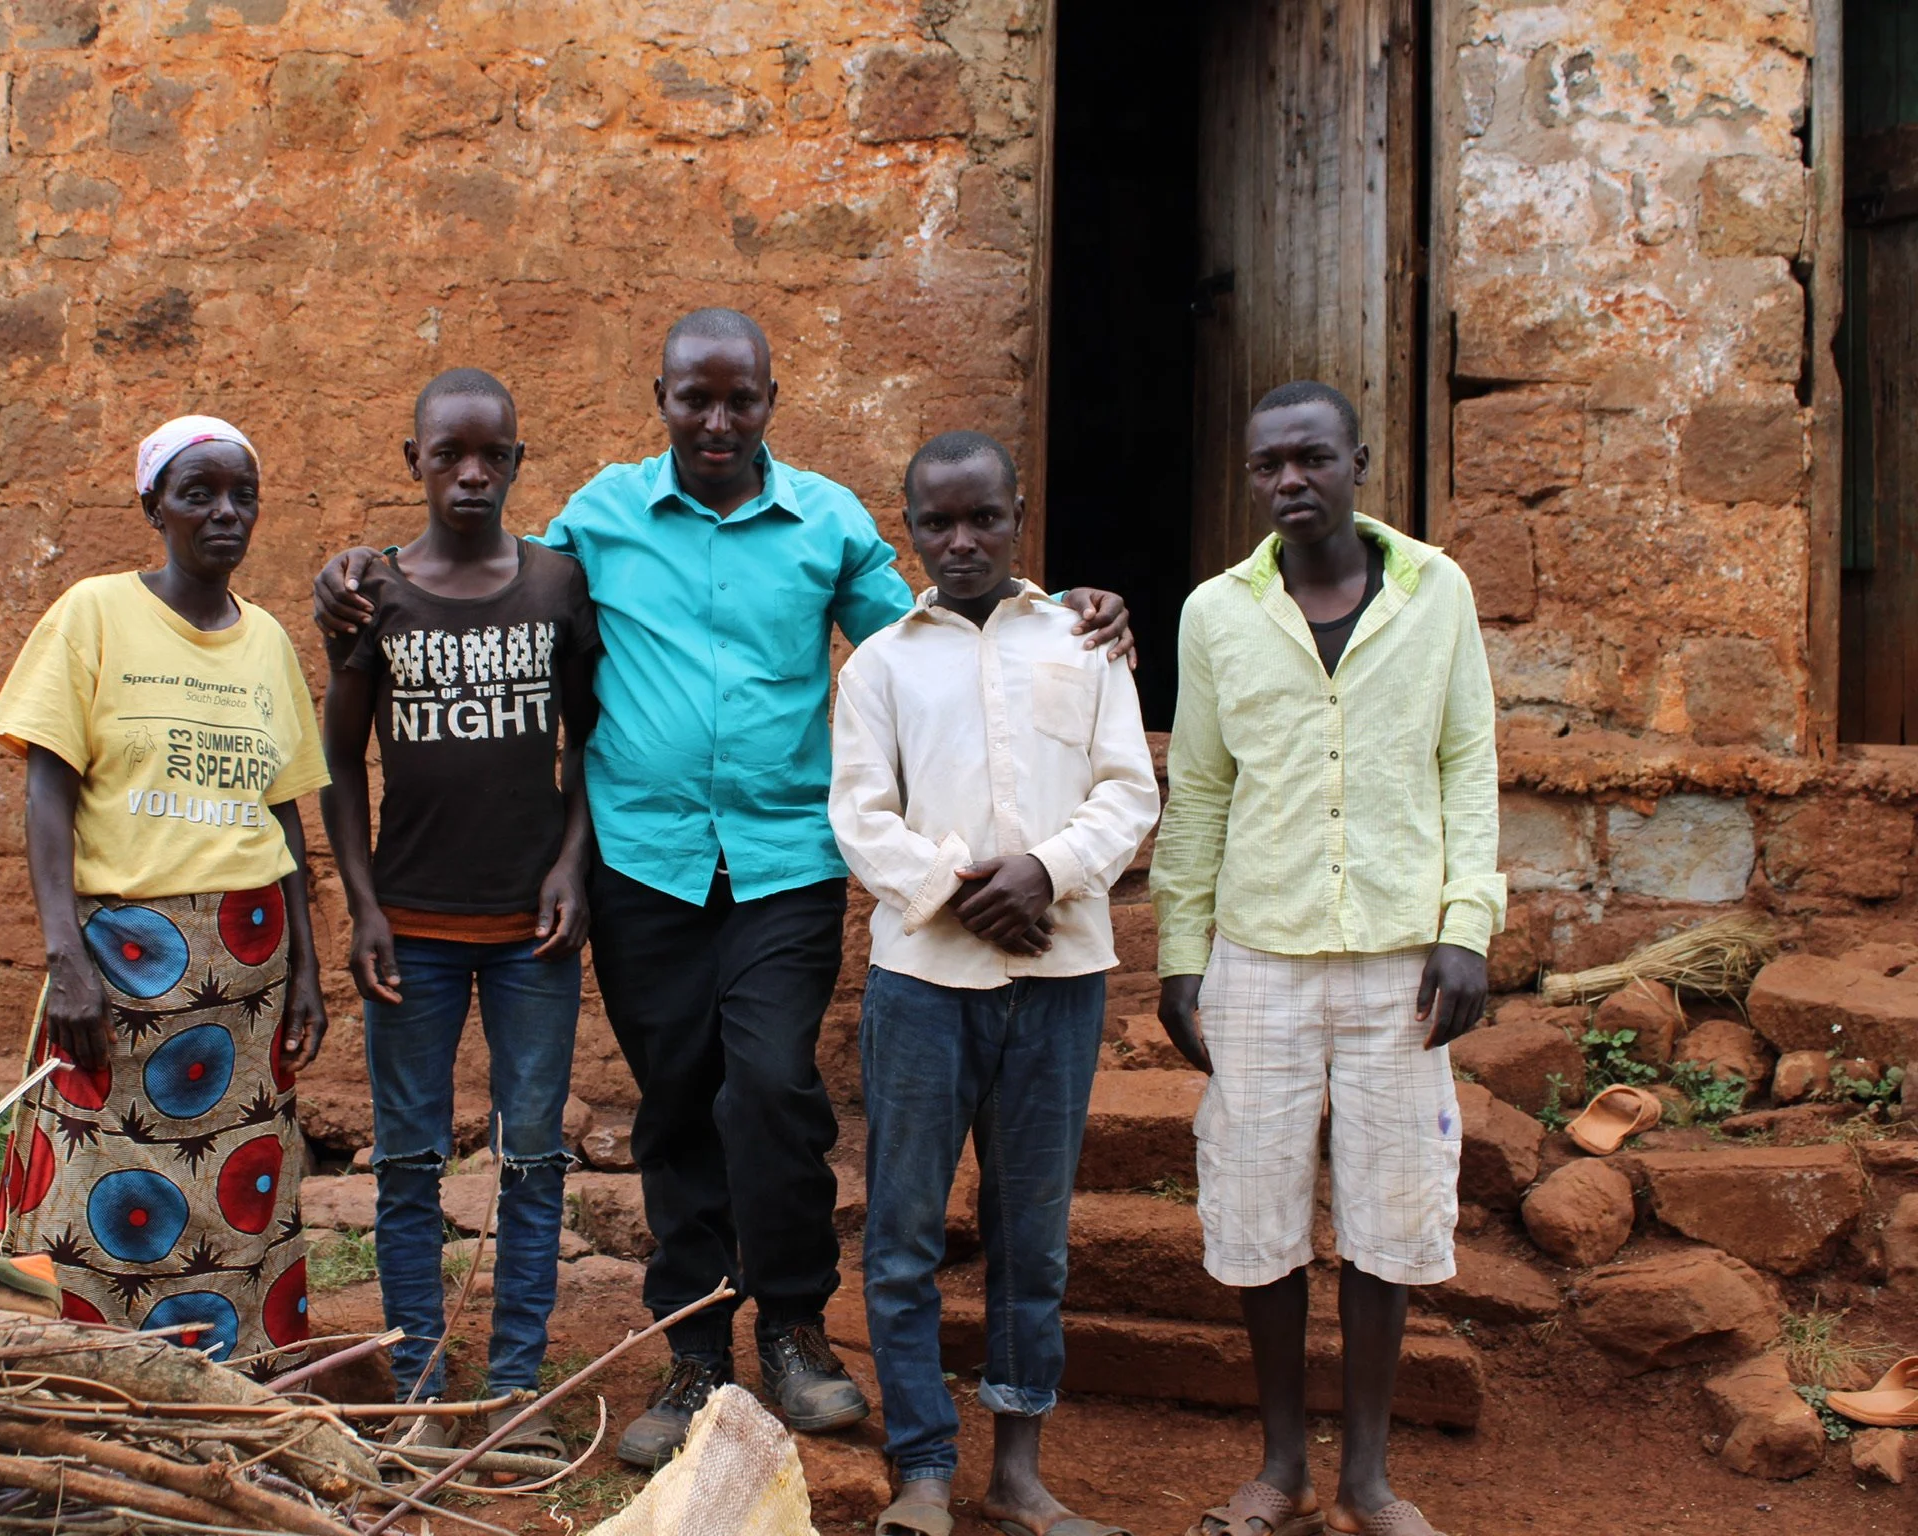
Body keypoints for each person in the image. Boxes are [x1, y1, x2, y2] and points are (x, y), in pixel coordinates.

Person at [312, 309, 1136, 1468]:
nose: (715, 420)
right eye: (693, 398)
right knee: (675, 1099)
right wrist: (360, 569)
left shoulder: (826, 522)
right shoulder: (600, 515)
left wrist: (1064, 608)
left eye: (738, 399)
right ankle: (695, 1347)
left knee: (771, 1087)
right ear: (660, 398)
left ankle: (793, 1327)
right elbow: (491, 568)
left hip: (784, 861)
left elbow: (935, 630)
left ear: (770, 402)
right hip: (641, 863)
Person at [1149, 382, 1502, 1536]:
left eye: (1311, 457)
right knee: (1258, 1209)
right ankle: (1282, 1467)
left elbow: (1468, 764)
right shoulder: (1217, 613)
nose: (1289, 480)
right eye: (1268, 465)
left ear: (1358, 460)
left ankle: (1369, 1480)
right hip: (1260, 952)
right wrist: (1182, 952)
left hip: (1403, 958)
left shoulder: (1436, 593)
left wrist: (1466, 924)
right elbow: (1201, 787)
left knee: (1389, 1213)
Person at [830, 432, 1160, 1536]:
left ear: (1020, 515)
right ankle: (924, 1467)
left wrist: (1047, 873)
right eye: (939, 522)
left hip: (1058, 978)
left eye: (984, 517)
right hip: (924, 980)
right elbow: (860, 814)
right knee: (905, 1233)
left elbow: (1128, 790)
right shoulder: (880, 664)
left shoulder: (1084, 639)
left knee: (1034, 1236)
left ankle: (1018, 1474)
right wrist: (961, 890)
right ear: (911, 530)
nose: (962, 540)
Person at [0, 415, 332, 1371]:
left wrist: (307, 970)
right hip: (117, 959)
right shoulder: (92, 615)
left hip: (248, 964)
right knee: (95, 1172)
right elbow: (47, 793)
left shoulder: (266, 642)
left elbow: (284, 819)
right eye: (197, 494)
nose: (225, 513)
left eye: (242, 496)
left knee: (238, 1185)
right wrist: (64, 956)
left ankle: (233, 1375)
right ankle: (81, 1370)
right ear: (153, 507)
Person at [317, 369, 599, 1458]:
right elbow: (341, 758)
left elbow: (594, 742)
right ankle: (422, 1390)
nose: (472, 475)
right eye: (450, 455)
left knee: (532, 1157)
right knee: (406, 1161)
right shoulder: (374, 595)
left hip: (534, 932)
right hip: (412, 928)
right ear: (416, 462)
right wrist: (363, 903)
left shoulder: (558, 585)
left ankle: (515, 1391)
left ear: (519, 462)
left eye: (493, 456)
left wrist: (572, 862)